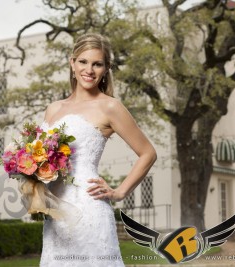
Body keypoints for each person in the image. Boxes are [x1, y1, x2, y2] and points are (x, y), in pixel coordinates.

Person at [39, 33, 157, 267]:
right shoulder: (53, 109)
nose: (89, 70)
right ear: (72, 63)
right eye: (83, 61)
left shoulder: (110, 106)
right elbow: (44, 161)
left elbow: (148, 153)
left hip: (89, 208)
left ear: (106, 69)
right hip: (55, 210)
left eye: (97, 64)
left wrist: (120, 191)